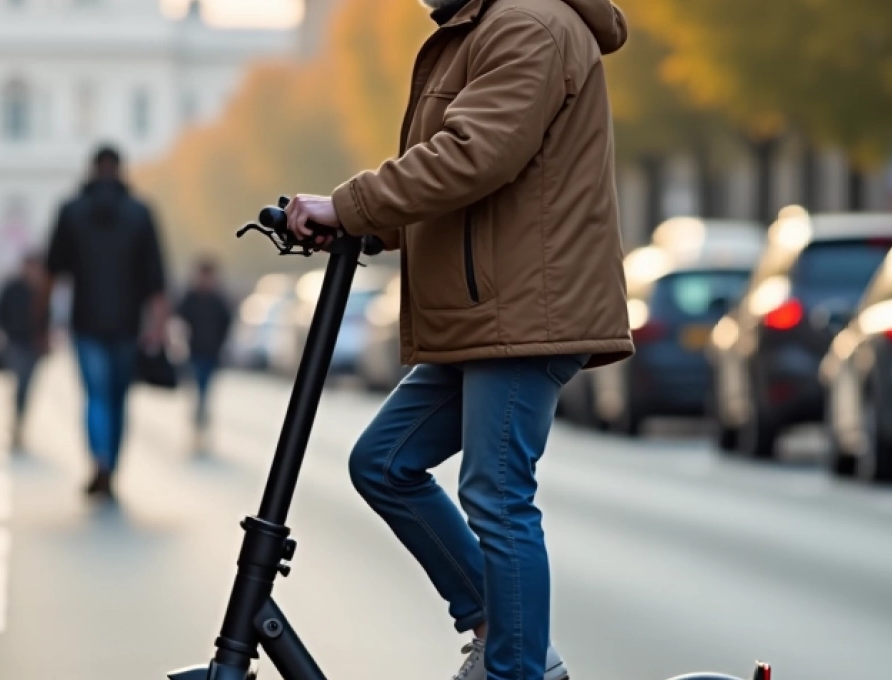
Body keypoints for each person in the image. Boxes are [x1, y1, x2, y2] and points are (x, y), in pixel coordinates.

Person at [281, 0, 633, 678]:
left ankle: (517, 668)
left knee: (498, 496)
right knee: (383, 463)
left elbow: (473, 156)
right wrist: (363, 224)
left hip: (527, 312)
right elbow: (448, 178)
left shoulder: (528, 24)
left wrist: (350, 203)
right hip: (487, 315)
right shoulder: (480, 27)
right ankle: (501, 626)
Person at [45, 145, 167, 499]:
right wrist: (158, 325)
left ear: (92, 168)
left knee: (95, 396)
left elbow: (53, 273)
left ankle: (98, 460)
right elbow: (156, 278)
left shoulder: (71, 212)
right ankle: (112, 466)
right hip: (128, 324)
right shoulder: (140, 213)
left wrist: (41, 321)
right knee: (118, 399)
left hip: (86, 322)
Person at [0, 252, 51, 451]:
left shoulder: (42, 290)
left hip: (34, 346)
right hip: (16, 343)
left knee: (28, 386)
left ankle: (20, 422)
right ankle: (16, 422)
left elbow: (47, 318)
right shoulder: (12, 288)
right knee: (19, 383)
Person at [175, 257, 232, 442]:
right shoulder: (191, 297)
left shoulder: (218, 300)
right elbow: (179, 317)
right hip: (194, 351)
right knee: (198, 388)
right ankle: (198, 422)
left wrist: (220, 342)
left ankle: (201, 423)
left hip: (211, 352)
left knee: (204, 389)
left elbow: (227, 322)